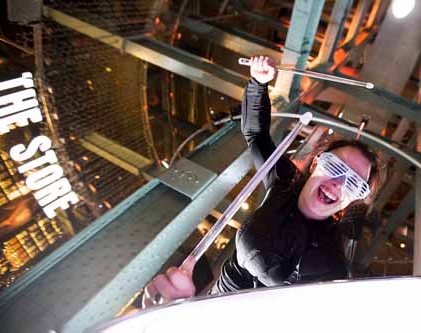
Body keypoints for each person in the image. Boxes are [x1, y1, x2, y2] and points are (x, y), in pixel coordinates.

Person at [143, 55, 382, 307]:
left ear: (354, 199)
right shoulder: (285, 181)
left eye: (354, 184)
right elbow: (256, 133)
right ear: (315, 163)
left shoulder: (330, 264)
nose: (338, 183)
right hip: (210, 304)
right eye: (335, 166)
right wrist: (258, 83)